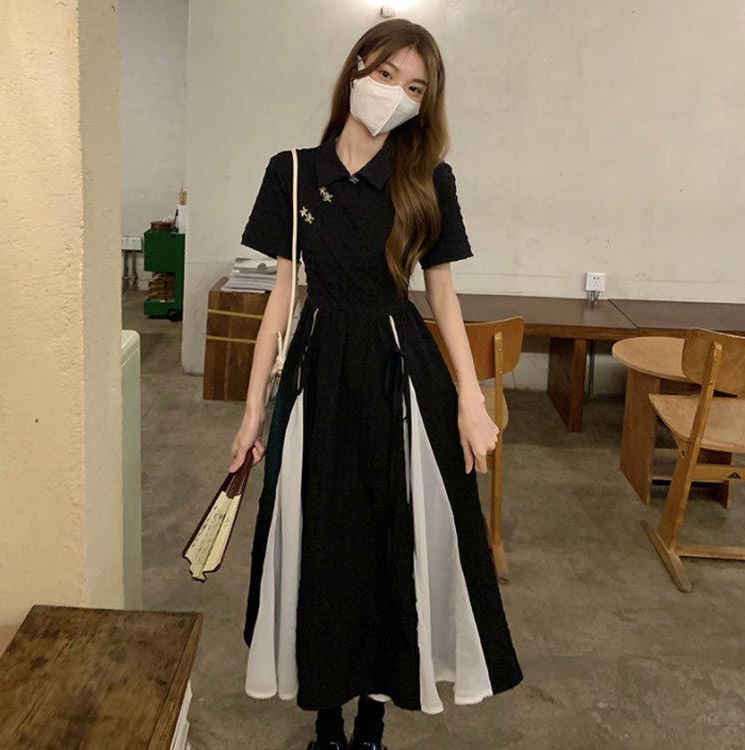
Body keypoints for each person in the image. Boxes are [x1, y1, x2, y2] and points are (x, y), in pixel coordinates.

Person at [229, 18, 523, 750]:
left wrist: (471, 398)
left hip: (399, 370)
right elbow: (281, 299)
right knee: (319, 535)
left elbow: (443, 296)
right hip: (318, 369)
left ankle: (374, 717)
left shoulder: (428, 180)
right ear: (358, 67)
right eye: (387, 75)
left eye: (415, 88)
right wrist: (252, 412)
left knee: (395, 536)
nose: (396, 94)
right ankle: (326, 715)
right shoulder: (292, 172)